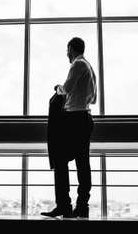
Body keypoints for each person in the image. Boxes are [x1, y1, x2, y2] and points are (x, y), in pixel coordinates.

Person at [41, 37, 97, 218]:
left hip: (74, 119)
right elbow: (94, 99)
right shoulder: (90, 68)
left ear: (72, 49)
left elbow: (67, 89)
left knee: (59, 160)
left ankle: (64, 205)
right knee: (82, 163)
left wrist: (58, 87)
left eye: (67, 50)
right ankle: (81, 206)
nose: (66, 54)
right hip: (85, 117)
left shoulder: (77, 65)